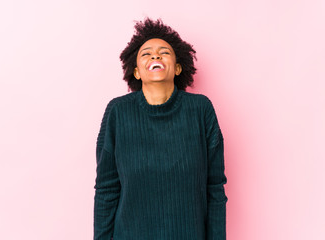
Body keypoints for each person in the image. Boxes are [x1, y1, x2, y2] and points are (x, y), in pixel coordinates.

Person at [94, 18, 228, 240]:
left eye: (164, 52)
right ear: (136, 72)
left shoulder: (201, 110)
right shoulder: (117, 112)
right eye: (146, 54)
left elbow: (214, 188)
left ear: (177, 67)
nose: (155, 56)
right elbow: (106, 191)